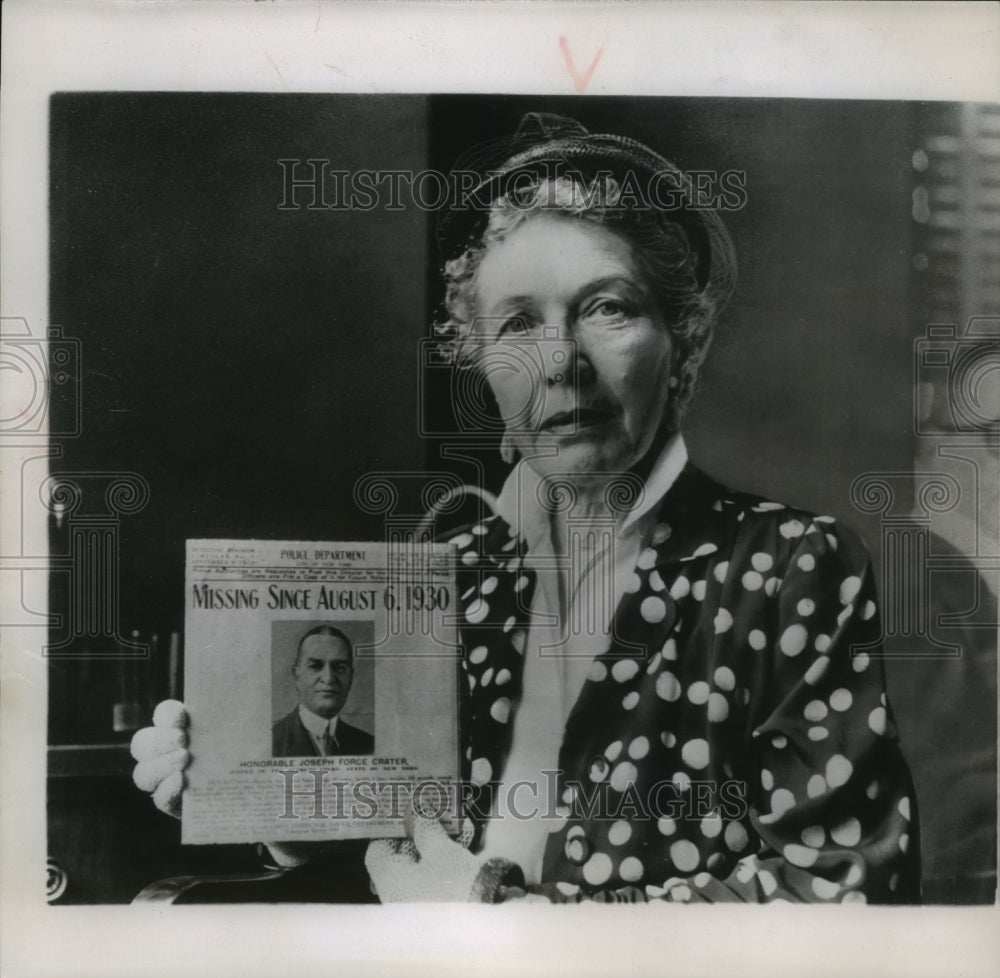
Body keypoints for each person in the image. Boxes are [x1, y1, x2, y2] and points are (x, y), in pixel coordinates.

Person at [132, 113, 921, 904]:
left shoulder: (792, 566)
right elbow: (408, 858)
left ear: (685, 337)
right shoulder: (458, 576)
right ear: (481, 363)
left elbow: (843, 894)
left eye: (607, 307)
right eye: (517, 323)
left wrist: (508, 925)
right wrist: (259, 798)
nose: (561, 363)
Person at [271, 624, 374, 758]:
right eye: (315, 666)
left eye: (340, 668)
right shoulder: (270, 743)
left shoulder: (369, 745)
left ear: (350, 678)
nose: (329, 678)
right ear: (297, 676)